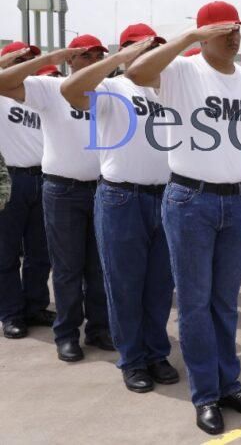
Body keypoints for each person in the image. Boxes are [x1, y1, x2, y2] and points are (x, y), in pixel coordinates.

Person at [126, 1, 241, 435]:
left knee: (224, 303)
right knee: (194, 304)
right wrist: (188, 36)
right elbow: (136, 73)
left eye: (237, 29)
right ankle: (205, 394)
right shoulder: (183, 71)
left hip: (239, 201)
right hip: (192, 201)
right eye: (224, 30)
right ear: (204, 34)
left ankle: (229, 384)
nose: (234, 36)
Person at [58, 24, 180, 393]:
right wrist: (120, 60)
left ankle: (156, 351)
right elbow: (69, 90)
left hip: (165, 196)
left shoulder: (168, 89)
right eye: (137, 46)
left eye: (152, 46)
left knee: (160, 285)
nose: (146, 52)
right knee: (125, 285)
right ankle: (132, 358)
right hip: (121, 197)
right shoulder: (110, 87)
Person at [0, 36, 111, 363]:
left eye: (97, 55)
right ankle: (60, 331)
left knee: (91, 266)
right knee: (64, 267)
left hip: (98, 188)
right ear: (70, 60)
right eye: (84, 55)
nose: (91, 60)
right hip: (53, 187)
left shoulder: (108, 92)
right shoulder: (51, 89)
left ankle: (97, 327)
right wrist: (53, 55)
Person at [0, 42, 53, 341]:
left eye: (31, 58)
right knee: (6, 254)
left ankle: (35, 305)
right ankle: (10, 313)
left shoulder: (37, 94)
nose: (27, 62)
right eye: (20, 59)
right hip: (10, 178)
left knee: (39, 251)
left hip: (43, 177)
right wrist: (5, 61)